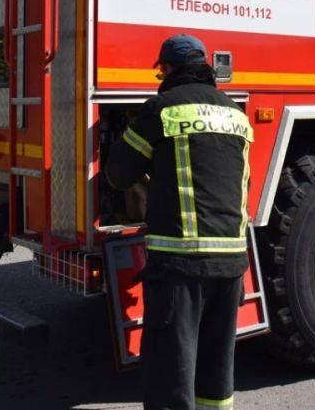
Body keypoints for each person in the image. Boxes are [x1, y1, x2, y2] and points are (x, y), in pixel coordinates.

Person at [106, 34, 253, 410]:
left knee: (171, 370)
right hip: (233, 261)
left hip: (181, 262)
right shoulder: (236, 113)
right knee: (216, 369)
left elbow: (119, 173)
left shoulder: (162, 108)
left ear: (168, 69)